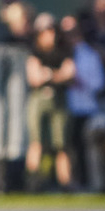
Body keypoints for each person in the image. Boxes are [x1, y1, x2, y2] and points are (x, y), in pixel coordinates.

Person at [23, 12, 74, 192]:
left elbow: (70, 74)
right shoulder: (35, 51)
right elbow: (34, 77)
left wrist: (50, 74)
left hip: (58, 99)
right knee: (37, 142)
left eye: (51, 30)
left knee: (61, 144)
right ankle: (32, 181)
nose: (49, 34)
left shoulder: (63, 51)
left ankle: (65, 183)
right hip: (38, 99)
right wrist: (56, 75)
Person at [63, 14, 105, 192]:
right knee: (68, 149)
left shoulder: (89, 55)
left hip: (86, 108)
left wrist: (80, 81)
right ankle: (71, 184)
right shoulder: (62, 54)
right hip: (67, 110)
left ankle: (93, 185)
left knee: (86, 147)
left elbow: (100, 83)